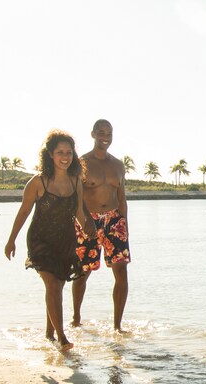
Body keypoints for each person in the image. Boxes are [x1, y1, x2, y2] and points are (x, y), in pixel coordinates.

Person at [4, 130, 91, 351]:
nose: (65, 156)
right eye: (60, 152)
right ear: (50, 155)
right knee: (52, 285)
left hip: (66, 240)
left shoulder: (75, 181)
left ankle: (48, 333)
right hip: (41, 240)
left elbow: (79, 212)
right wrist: (11, 240)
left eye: (69, 152)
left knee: (58, 286)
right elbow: (23, 212)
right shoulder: (38, 182)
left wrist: (90, 232)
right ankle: (62, 337)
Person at [71, 118, 130, 333]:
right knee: (83, 272)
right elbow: (76, 198)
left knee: (121, 271)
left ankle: (117, 326)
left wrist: (124, 225)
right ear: (93, 134)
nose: (106, 137)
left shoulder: (118, 165)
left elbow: (121, 197)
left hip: (115, 220)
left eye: (109, 133)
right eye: (102, 132)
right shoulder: (82, 163)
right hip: (89, 219)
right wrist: (84, 220)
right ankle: (76, 318)